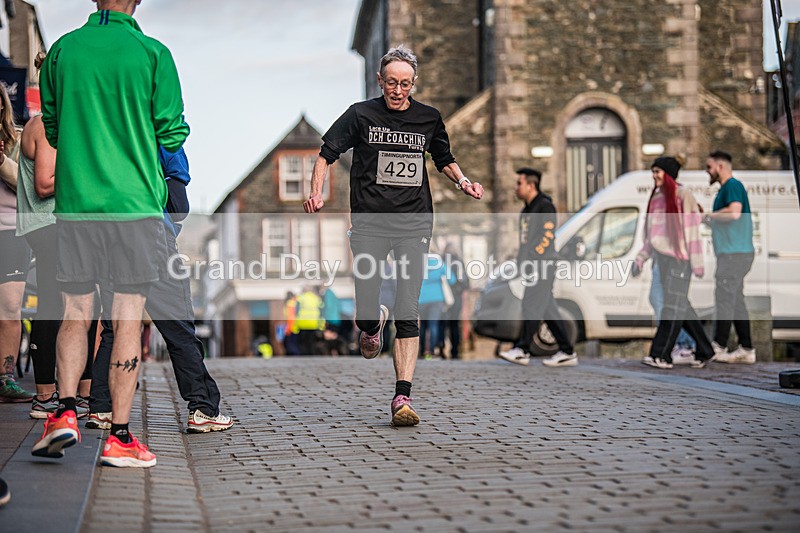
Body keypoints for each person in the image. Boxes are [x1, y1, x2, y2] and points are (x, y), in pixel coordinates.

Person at [33, 0, 190, 468]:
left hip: (77, 203)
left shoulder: (62, 52)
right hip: (134, 206)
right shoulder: (152, 53)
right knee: (126, 318)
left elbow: (53, 129)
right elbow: (172, 132)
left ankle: (63, 413)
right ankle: (119, 437)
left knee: (76, 310)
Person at [304, 45, 484, 426]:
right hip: (369, 225)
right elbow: (326, 154)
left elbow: (444, 159)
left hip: (414, 224)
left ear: (413, 84)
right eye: (391, 83)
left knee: (408, 306)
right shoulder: (361, 115)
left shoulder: (428, 118)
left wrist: (464, 182)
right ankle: (372, 325)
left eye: (404, 84)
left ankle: (402, 396)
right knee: (367, 312)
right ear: (380, 81)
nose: (397, 90)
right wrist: (316, 192)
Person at [88, 146, 233, 434]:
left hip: (107, 234)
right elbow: (178, 205)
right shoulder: (163, 136)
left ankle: (102, 407)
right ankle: (202, 408)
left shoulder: (107, 135)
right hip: (151, 234)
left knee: (114, 327)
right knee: (178, 326)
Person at [16, 52, 95, 418]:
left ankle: (79, 392)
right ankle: (46, 394)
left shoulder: (63, 122)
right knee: (55, 304)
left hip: (60, 225)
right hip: (50, 225)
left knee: (79, 305)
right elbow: (45, 183)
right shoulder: (47, 124)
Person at [632, 156, 714, 369]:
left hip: (680, 261)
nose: (654, 176)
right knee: (680, 306)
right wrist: (640, 258)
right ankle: (705, 350)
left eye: (657, 171)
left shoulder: (683, 195)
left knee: (671, 308)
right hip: (663, 259)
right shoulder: (657, 197)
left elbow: (691, 231)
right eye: (653, 171)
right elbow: (652, 236)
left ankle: (661, 355)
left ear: (668, 174)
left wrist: (697, 263)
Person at [498, 168, 577, 367]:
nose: (516, 187)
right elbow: (524, 242)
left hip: (543, 265)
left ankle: (523, 349)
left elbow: (547, 236)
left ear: (531, 185)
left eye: (519, 183)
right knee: (548, 308)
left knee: (531, 304)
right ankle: (567, 351)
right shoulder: (526, 210)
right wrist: (520, 264)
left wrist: (533, 258)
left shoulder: (545, 206)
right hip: (531, 265)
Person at [704, 150, 756, 364]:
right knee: (735, 300)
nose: (707, 171)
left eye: (709, 167)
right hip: (735, 252)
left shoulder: (732, 186)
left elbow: (734, 212)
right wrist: (708, 220)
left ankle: (718, 345)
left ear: (720, 166)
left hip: (734, 253)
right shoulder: (726, 189)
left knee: (724, 298)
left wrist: (708, 215)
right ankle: (746, 348)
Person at [0, 82, 34, 403]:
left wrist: (1, 161)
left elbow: (30, 186)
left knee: (10, 308)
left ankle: (5, 378)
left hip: (11, 233)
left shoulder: (20, 139)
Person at [649, 262, 697, 365]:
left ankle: (683, 346)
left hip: (677, 261)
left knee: (671, 305)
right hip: (663, 261)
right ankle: (695, 347)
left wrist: (697, 264)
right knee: (678, 305)